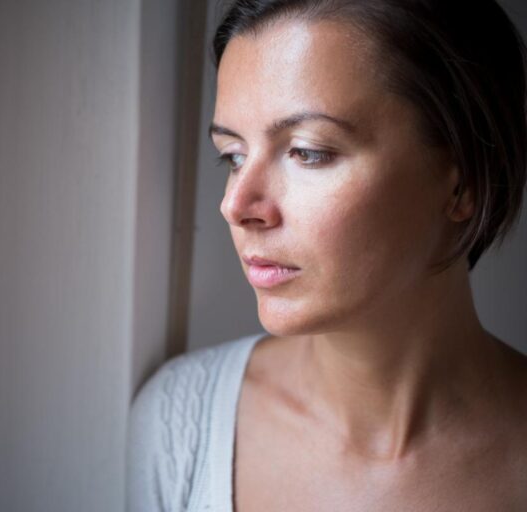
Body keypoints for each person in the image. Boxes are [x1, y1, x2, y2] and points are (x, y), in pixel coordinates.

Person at [126, 0, 527, 510]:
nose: (235, 205)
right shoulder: (179, 423)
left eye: (308, 151)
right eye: (233, 155)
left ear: (464, 180)